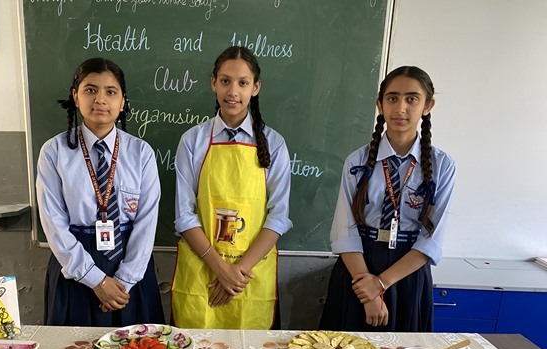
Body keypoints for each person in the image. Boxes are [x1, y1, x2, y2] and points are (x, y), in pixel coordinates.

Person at [319, 66, 456, 332]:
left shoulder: (443, 166)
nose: (400, 107)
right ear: (380, 104)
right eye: (392, 98)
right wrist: (367, 290)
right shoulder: (356, 161)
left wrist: (379, 284)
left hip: (407, 275)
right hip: (358, 268)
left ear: (428, 105)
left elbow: (431, 240)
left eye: (412, 98)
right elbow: (344, 231)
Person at [171, 46, 292, 330]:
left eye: (243, 83)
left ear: (256, 87)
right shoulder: (192, 141)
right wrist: (221, 269)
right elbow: (184, 215)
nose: (233, 91)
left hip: (250, 275)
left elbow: (278, 217)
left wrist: (236, 272)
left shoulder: (274, 144)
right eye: (225, 81)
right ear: (213, 82)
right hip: (203, 271)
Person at [36, 57, 164, 327]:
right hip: (76, 268)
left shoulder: (141, 153)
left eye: (110, 92)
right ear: (75, 96)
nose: (100, 100)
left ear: (123, 100)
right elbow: (54, 224)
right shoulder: (54, 152)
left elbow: (147, 222)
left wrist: (124, 282)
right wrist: (96, 280)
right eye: (90, 90)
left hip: (131, 269)